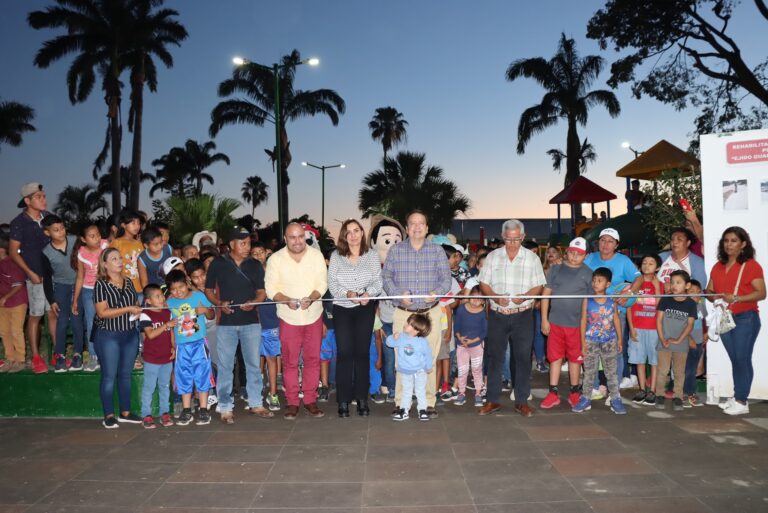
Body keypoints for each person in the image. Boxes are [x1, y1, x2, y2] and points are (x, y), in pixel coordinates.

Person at [382, 210, 451, 418]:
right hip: (404, 314)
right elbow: (387, 278)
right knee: (401, 358)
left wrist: (436, 293)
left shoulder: (437, 251)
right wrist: (397, 294)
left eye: (421, 223)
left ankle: (428, 402)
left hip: (430, 313)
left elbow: (446, 279)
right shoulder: (395, 251)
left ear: (427, 228)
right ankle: (401, 403)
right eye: (413, 223)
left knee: (428, 358)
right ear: (407, 227)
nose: (417, 227)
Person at [478, 220, 546, 417]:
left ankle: (522, 401)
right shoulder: (492, 256)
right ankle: (492, 400)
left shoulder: (532, 258)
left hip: (523, 315)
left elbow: (539, 285)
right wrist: (494, 296)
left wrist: (526, 296)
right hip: (498, 315)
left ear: (523, 237)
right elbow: (484, 282)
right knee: (494, 358)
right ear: (503, 236)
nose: (512, 243)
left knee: (523, 358)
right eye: (508, 239)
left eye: (516, 239)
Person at [205, 227, 272, 424]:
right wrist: (219, 303)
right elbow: (208, 290)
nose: (247, 247)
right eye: (243, 243)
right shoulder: (218, 263)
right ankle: (225, 406)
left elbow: (262, 292)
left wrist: (254, 302)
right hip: (226, 324)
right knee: (226, 366)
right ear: (231, 244)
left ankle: (256, 402)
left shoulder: (255, 265)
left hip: (251, 323)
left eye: (249, 243)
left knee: (253, 364)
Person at [265, 222, 328, 420]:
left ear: (305, 236)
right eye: (292, 237)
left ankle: (310, 400)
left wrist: (313, 296)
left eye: (300, 236)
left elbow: (322, 283)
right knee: (290, 362)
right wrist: (285, 300)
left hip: (313, 316)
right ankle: (292, 402)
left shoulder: (316, 256)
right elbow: (270, 288)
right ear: (285, 238)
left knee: (312, 360)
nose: (297, 241)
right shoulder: (275, 259)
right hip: (288, 317)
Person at [705, 226, 766, 416]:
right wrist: (713, 297)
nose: (728, 244)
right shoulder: (718, 266)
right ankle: (737, 396)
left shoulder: (751, 265)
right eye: (726, 240)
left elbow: (762, 293)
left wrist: (737, 298)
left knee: (742, 359)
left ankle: (741, 401)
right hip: (725, 319)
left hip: (746, 318)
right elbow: (709, 291)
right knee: (736, 360)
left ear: (743, 244)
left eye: (733, 241)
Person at [327, 219, 382, 418]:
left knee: (361, 354)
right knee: (344, 354)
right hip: (343, 308)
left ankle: (361, 398)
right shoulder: (336, 256)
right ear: (343, 235)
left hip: (365, 309)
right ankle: (342, 400)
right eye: (348, 231)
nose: (353, 235)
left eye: (356, 230)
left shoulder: (372, 255)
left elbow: (378, 280)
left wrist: (370, 294)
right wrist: (347, 293)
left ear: (362, 233)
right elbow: (332, 283)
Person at [584, 228, 641, 390]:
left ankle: (613, 387)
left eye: (610, 241)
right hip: (593, 313)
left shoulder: (623, 260)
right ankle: (594, 386)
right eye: (603, 240)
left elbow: (639, 277)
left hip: (615, 312)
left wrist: (630, 292)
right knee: (592, 349)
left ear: (616, 245)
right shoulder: (590, 258)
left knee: (615, 349)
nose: (605, 244)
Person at [540, 237, 593, 409]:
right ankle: (553, 393)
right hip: (555, 323)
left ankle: (574, 392)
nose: (574, 256)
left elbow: (590, 301)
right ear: (567, 252)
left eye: (579, 254)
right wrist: (544, 320)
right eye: (571, 252)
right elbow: (545, 295)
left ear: (585, 256)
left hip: (577, 326)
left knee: (575, 359)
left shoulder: (588, 272)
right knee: (554, 358)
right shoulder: (555, 269)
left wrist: (588, 326)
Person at [93, 247, 143, 428]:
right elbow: (102, 313)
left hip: (129, 334)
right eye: (114, 259)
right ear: (105, 264)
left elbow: (135, 303)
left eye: (120, 257)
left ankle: (125, 412)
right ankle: (108, 415)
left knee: (125, 375)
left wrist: (137, 311)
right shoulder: (101, 284)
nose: (120, 261)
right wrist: (129, 309)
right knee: (109, 375)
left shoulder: (129, 282)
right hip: (109, 336)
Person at [9, 182, 52, 374]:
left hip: (53, 277)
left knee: (53, 313)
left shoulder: (49, 218)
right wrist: (30, 273)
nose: (44, 199)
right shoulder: (19, 222)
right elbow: (13, 252)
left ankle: (57, 354)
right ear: (27, 200)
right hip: (35, 277)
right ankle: (36, 357)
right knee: (36, 315)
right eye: (39, 197)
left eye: (44, 196)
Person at [572, 267, 626, 415]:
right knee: (589, 372)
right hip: (591, 341)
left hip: (609, 341)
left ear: (608, 284)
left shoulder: (611, 300)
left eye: (600, 281)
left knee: (611, 372)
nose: (596, 283)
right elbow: (583, 320)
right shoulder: (587, 299)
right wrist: (583, 342)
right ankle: (585, 398)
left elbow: (615, 319)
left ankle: (615, 399)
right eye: (594, 280)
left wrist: (620, 340)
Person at [166, 270, 215, 426]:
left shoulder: (198, 296)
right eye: (173, 289)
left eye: (180, 287)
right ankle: (187, 410)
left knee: (202, 373)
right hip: (181, 345)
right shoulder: (169, 303)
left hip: (200, 343)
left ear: (187, 284)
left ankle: (203, 409)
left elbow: (212, 315)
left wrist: (205, 310)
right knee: (183, 375)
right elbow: (170, 326)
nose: (178, 292)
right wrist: (173, 345)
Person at [41, 215, 84, 372]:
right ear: (47, 233)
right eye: (56, 230)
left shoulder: (75, 241)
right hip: (60, 287)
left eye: (62, 228)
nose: (61, 232)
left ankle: (78, 355)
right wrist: (51, 300)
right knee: (62, 322)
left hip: (79, 285)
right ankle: (60, 355)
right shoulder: (46, 252)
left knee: (77, 319)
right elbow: (47, 278)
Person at [655, 270, 696, 412]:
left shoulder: (691, 303)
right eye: (672, 282)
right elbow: (659, 320)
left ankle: (678, 396)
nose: (674, 285)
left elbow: (690, 324)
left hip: (681, 344)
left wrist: (679, 340)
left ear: (687, 285)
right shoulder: (665, 299)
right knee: (662, 371)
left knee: (679, 372)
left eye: (678, 282)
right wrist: (662, 339)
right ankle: (659, 394)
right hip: (664, 343)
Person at [138, 284, 176, 429]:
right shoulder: (145, 314)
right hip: (152, 358)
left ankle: (164, 413)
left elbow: (171, 332)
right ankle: (146, 414)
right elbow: (150, 334)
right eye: (157, 296)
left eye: (162, 295)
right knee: (149, 387)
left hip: (166, 357)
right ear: (148, 300)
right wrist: (166, 325)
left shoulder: (167, 312)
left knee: (165, 386)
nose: (162, 299)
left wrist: (173, 347)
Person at [72, 222, 109, 372]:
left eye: (98, 234)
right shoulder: (81, 253)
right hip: (89, 291)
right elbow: (80, 276)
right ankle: (94, 357)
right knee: (91, 324)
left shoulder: (106, 246)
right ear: (83, 239)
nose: (97, 238)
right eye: (92, 236)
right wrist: (75, 300)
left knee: (110, 322)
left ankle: (108, 355)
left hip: (107, 290)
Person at [628, 254, 663, 405]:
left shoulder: (660, 285)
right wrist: (631, 327)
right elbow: (629, 306)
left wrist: (655, 287)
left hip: (654, 328)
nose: (647, 265)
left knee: (654, 361)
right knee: (639, 359)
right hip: (637, 327)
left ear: (658, 268)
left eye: (651, 263)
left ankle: (652, 390)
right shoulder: (635, 284)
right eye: (644, 263)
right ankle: (642, 389)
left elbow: (660, 306)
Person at [386, 313, 434, 421]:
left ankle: (422, 410)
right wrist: (393, 337)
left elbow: (428, 354)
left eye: (408, 324)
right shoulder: (401, 337)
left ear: (416, 330)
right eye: (407, 322)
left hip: (419, 371)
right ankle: (404, 410)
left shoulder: (422, 342)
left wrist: (428, 366)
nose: (405, 324)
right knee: (406, 391)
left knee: (420, 390)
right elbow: (389, 343)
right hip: (405, 370)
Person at [452, 285, 487, 407]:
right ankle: (461, 393)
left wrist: (471, 342)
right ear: (469, 296)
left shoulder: (483, 312)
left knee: (477, 369)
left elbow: (484, 332)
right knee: (462, 370)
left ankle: (478, 393)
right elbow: (456, 326)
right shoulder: (461, 309)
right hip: (462, 344)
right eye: (473, 297)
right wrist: (460, 337)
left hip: (477, 345)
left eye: (479, 299)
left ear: (483, 301)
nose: (475, 300)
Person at [0, 235, 28, 373]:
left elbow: (18, 284)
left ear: (1, 249)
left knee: (16, 331)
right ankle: (10, 358)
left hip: (17, 301)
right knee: (4, 332)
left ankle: (20, 359)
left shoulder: (12, 263)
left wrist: (5, 297)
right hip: (3, 304)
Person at [683, 279, 706, 408]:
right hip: (687, 342)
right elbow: (681, 325)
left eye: (698, 292)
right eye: (692, 292)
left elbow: (704, 321)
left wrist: (706, 333)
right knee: (687, 370)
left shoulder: (701, 305)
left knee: (693, 369)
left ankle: (690, 393)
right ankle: (685, 394)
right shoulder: (684, 306)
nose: (696, 295)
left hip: (698, 342)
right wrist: (689, 338)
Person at [109, 210, 144, 295]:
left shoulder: (140, 244)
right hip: (123, 289)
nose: (137, 226)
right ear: (123, 225)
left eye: (138, 223)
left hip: (140, 288)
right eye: (133, 223)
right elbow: (110, 266)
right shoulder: (116, 243)